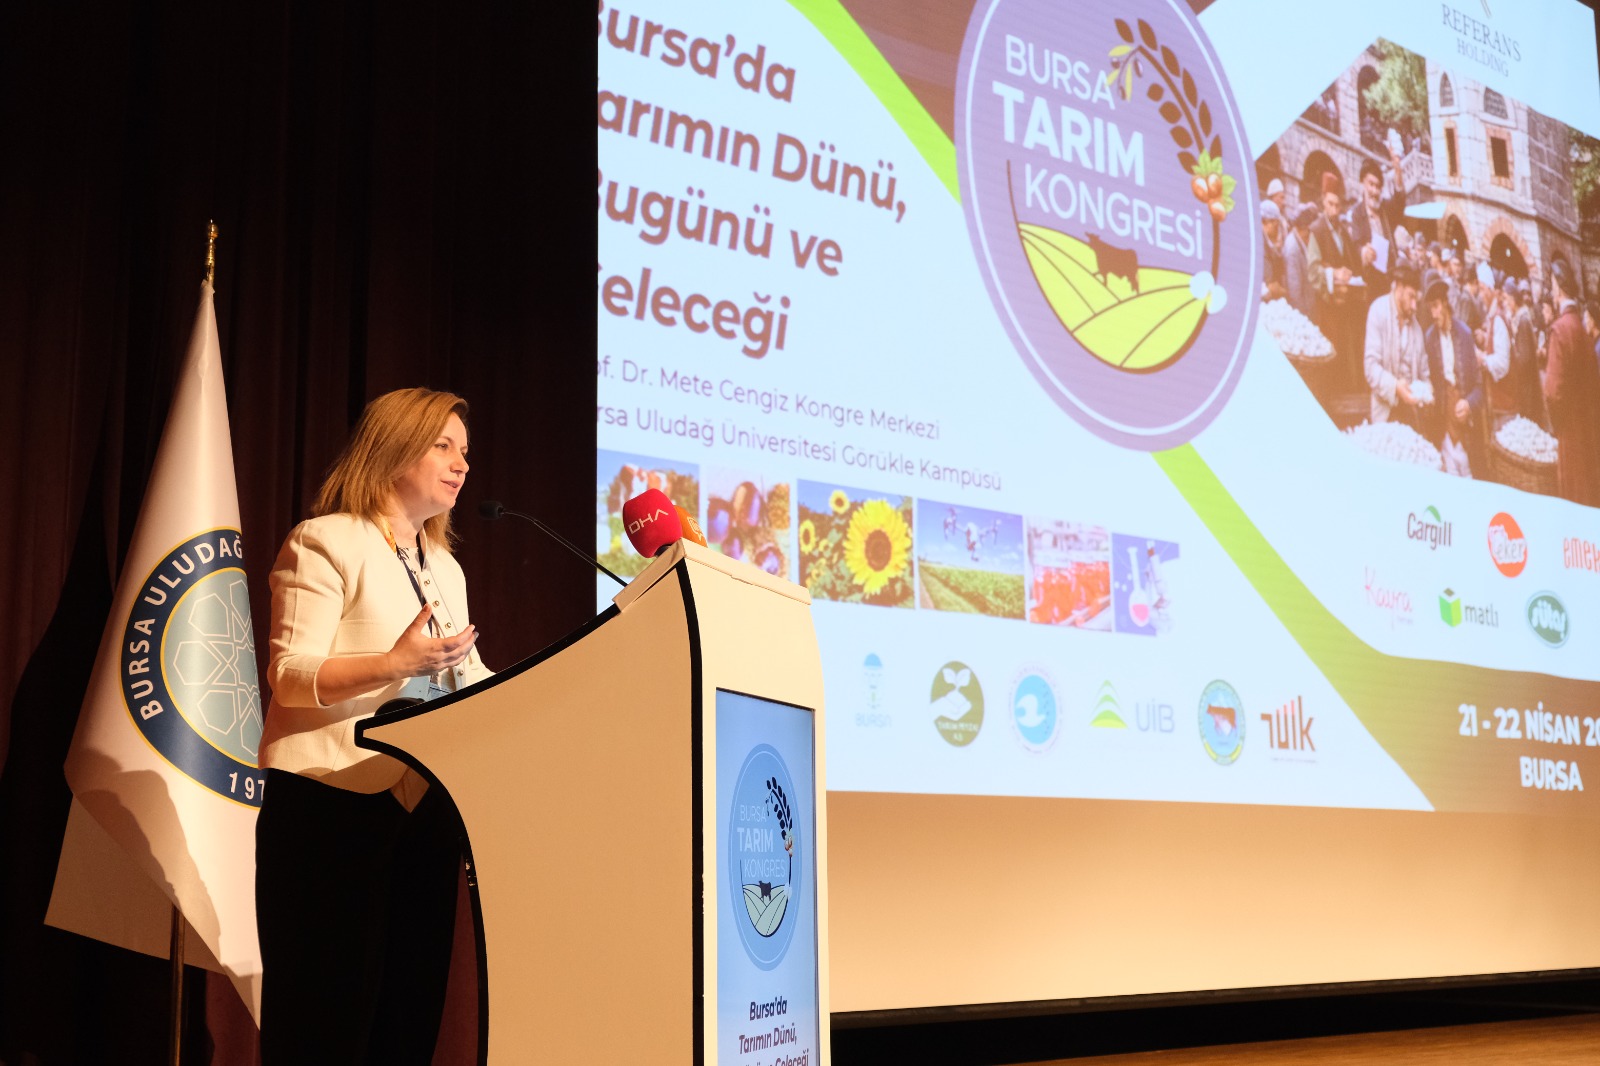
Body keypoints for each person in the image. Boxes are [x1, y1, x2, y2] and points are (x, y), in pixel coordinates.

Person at [256, 387, 493, 1063]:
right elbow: (289, 675)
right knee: (321, 1031)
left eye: (465, 451)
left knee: (406, 1030)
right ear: (392, 449)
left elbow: (467, 678)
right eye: (443, 446)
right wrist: (393, 664)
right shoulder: (325, 541)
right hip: (330, 807)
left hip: (423, 816)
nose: (461, 464)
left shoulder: (446, 568)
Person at [1543, 261, 1600, 504]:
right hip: (1588, 430)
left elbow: (1552, 392)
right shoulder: (1584, 332)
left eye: (1552, 285)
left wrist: (1559, 426)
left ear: (1558, 288)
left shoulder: (1560, 330)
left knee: (1572, 496)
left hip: (1569, 432)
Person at [1421, 269, 1485, 477]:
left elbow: (1479, 386)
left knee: (1470, 474)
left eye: (1436, 306)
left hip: (1467, 429)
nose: (1434, 314)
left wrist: (1469, 404)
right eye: (1430, 308)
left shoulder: (1465, 335)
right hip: (1443, 425)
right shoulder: (1429, 339)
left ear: (1445, 303)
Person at [1364, 261, 1429, 425]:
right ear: (1399, 288)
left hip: (1410, 412)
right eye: (1411, 297)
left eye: (1416, 299)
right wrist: (1395, 387)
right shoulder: (1378, 311)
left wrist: (1428, 391)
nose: (1414, 306)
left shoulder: (1416, 329)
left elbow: (1424, 372)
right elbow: (1370, 367)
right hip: (1384, 410)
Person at [1350, 150, 1407, 297]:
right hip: (1371, 281)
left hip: (1390, 277)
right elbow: (1356, 244)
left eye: (1378, 187)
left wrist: (1398, 172)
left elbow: (1400, 203)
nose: (1375, 191)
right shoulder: (1357, 213)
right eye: (1371, 184)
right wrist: (1364, 252)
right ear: (1363, 183)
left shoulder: (1385, 209)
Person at [1283, 205, 1320, 323]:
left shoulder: (1302, 239)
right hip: (1303, 312)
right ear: (1304, 227)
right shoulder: (1292, 249)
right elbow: (1294, 290)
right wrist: (1303, 319)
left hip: (1310, 305)